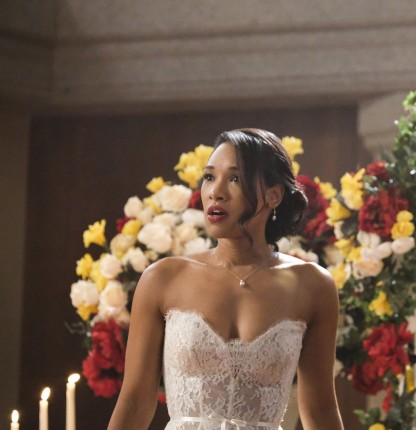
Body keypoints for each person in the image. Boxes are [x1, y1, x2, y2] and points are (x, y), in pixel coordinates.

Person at [108, 128, 344, 430]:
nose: (215, 192)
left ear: (274, 195)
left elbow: (321, 411)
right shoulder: (163, 278)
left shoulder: (312, 286)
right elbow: (135, 402)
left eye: (235, 179)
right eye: (209, 177)